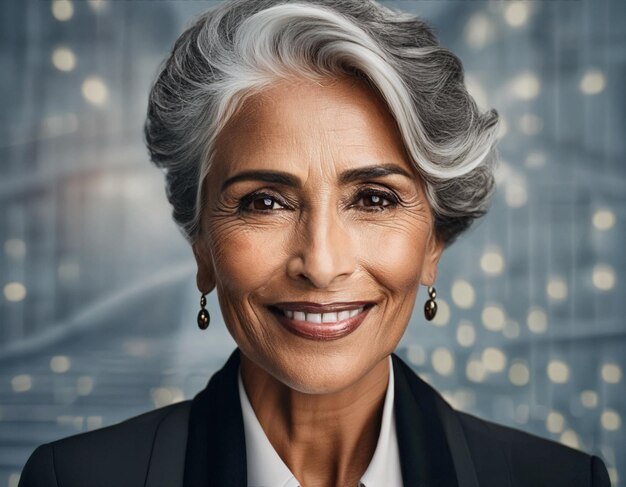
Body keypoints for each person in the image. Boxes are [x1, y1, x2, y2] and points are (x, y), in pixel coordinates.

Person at [19, 0, 611, 486]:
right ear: (201, 244)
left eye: (374, 199)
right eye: (264, 202)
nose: (322, 265)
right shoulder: (71, 478)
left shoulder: (560, 480)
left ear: (434, 243)